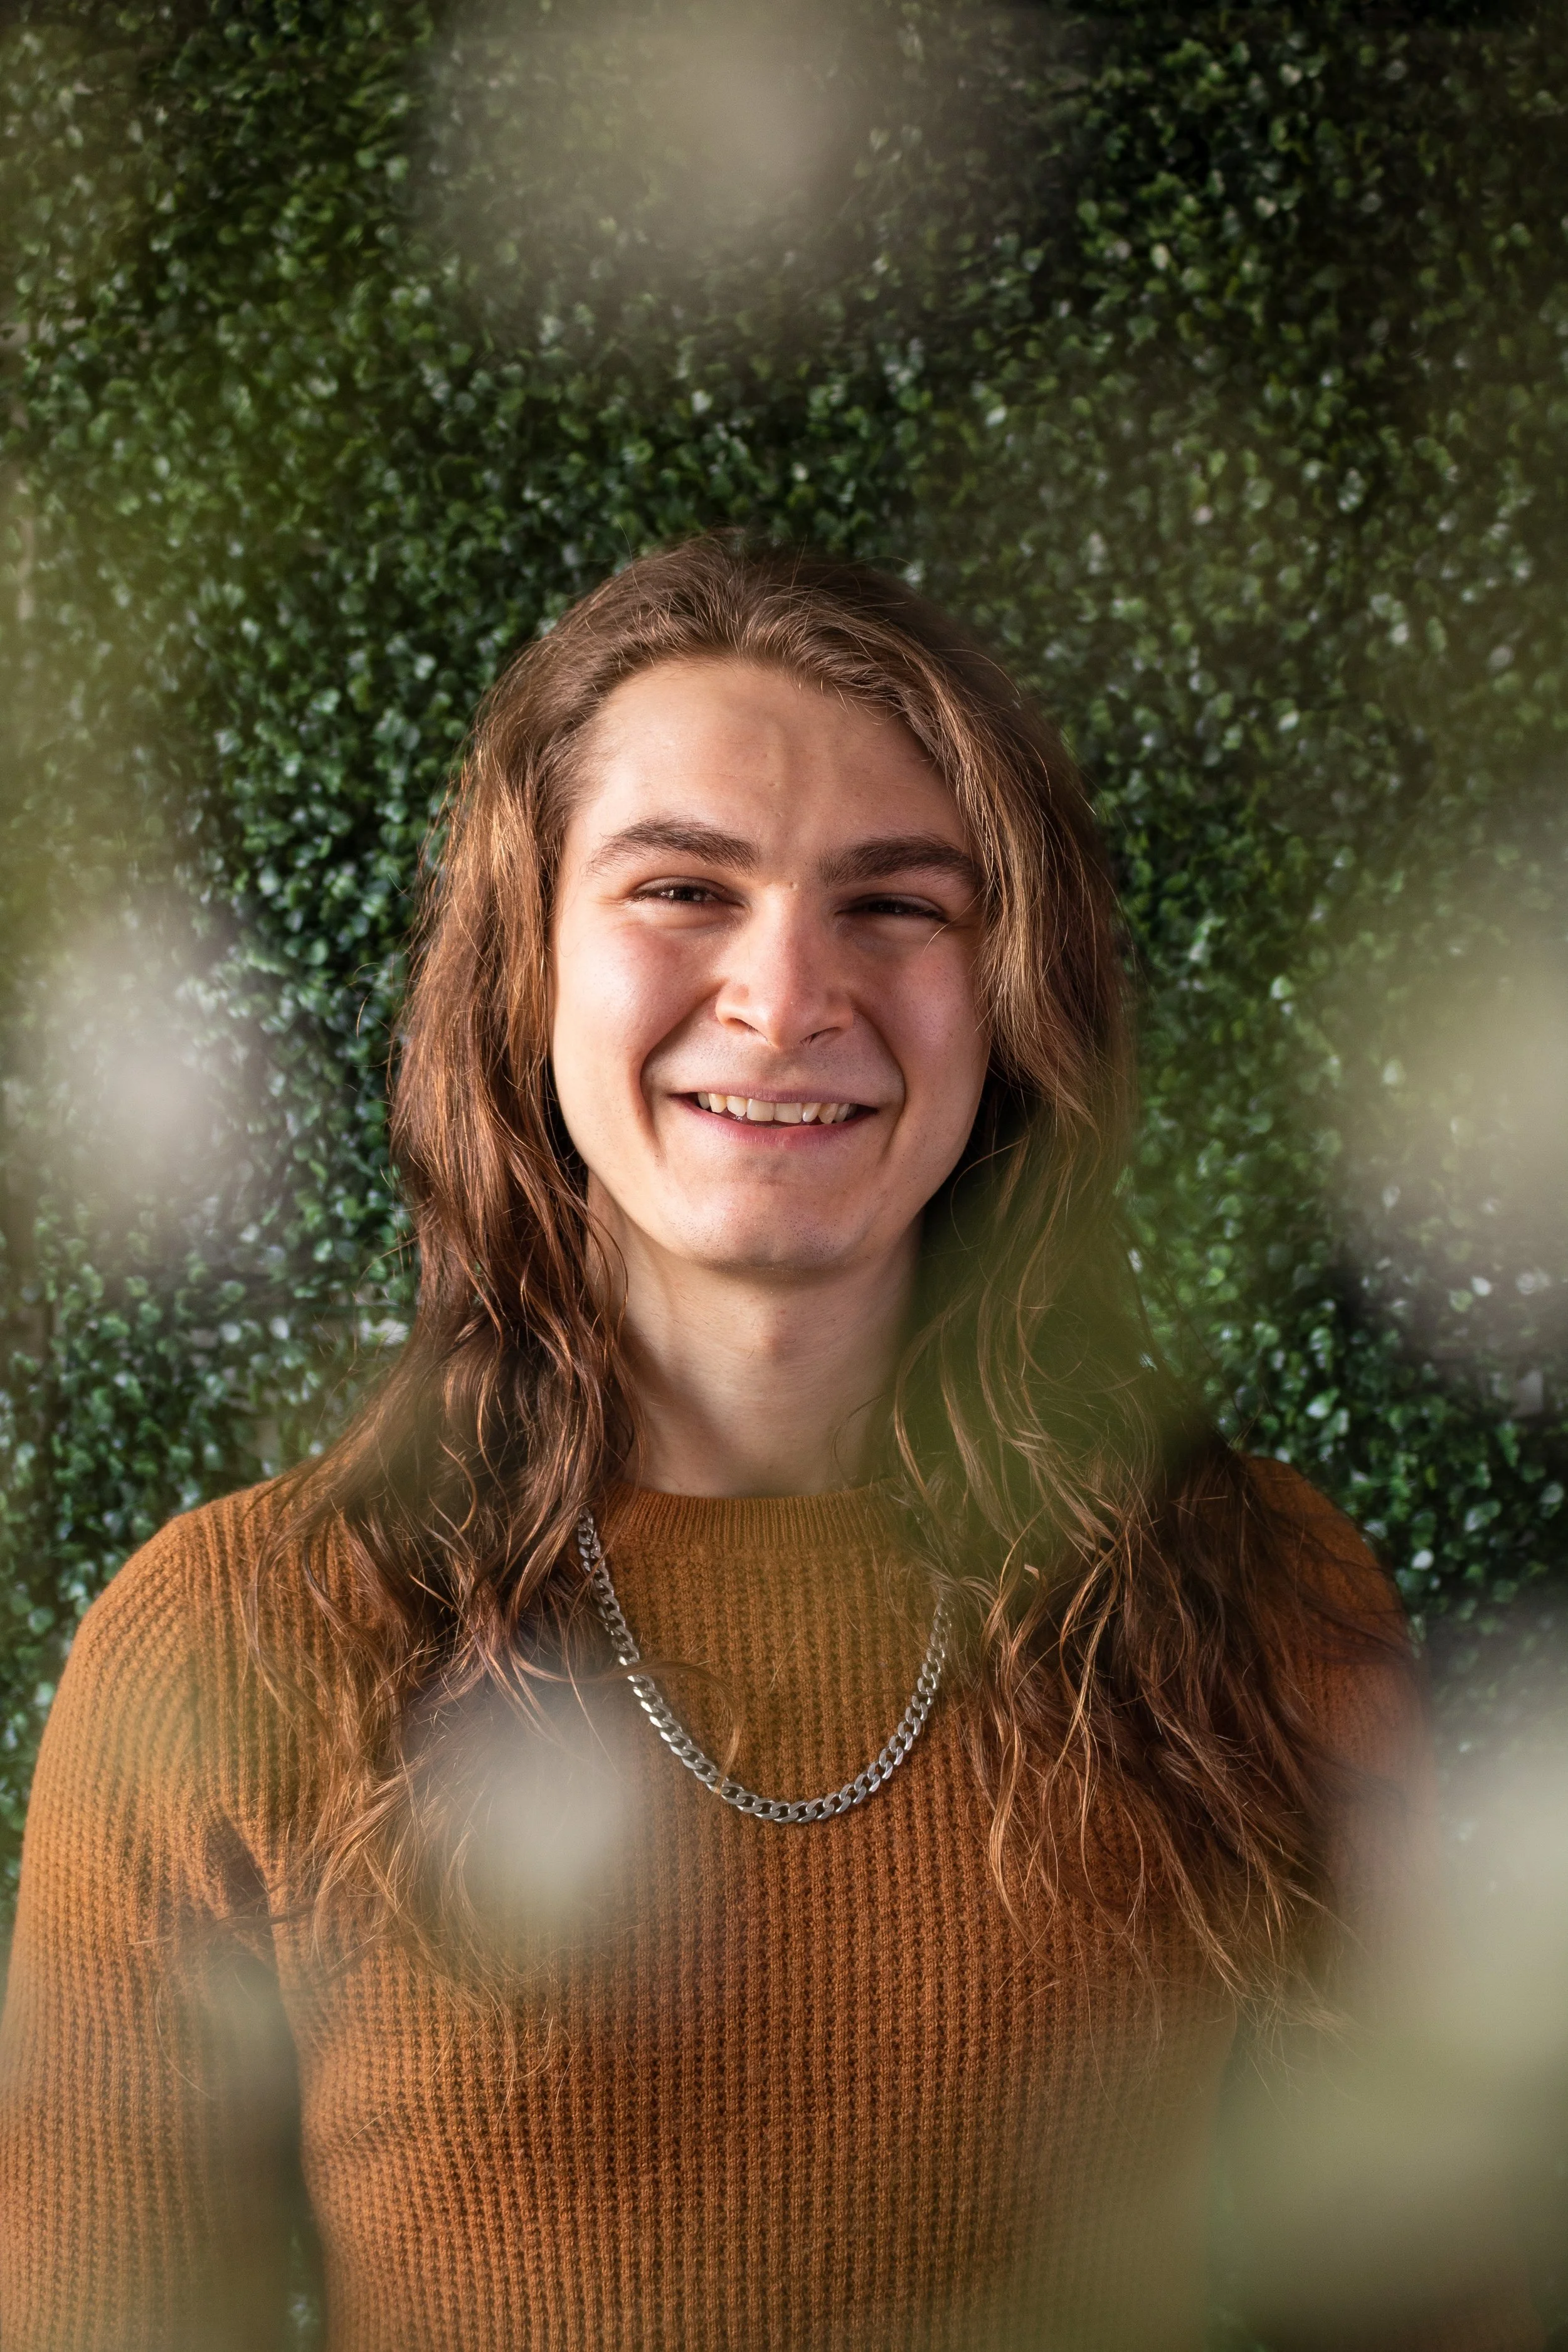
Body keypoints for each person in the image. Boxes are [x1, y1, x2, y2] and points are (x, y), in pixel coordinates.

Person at [0, 538, 1543, 2351]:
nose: (787, 992)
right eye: (680, 889)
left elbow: (1438, 2300)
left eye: (895, 905)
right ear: (525, 968)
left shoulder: (1260, 1600)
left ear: (1015, 996)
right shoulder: (229, 1635)